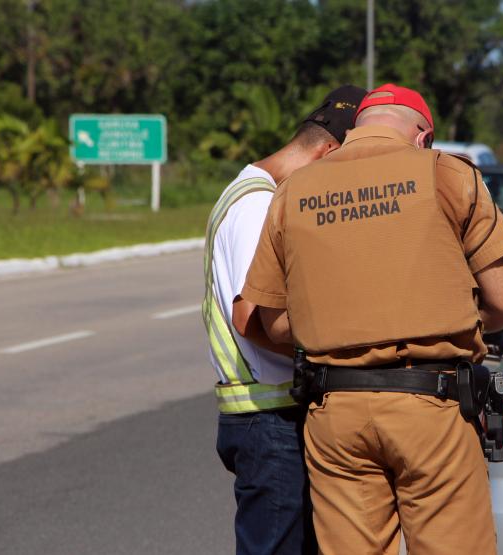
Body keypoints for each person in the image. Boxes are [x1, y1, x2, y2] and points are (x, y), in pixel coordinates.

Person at [240, 83, 503, 555]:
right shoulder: (445, 174)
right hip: (431, 407)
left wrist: (342, 325)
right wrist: (441, 311)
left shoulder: (293, 191)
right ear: (423, 137)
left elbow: (272, 324)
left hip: (335, 413)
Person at [203, 84, 366, 555]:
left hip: (269, 415)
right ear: (329, 152)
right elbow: (253, 316)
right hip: (268, 417)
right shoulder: (258, 205)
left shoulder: (264, 195)